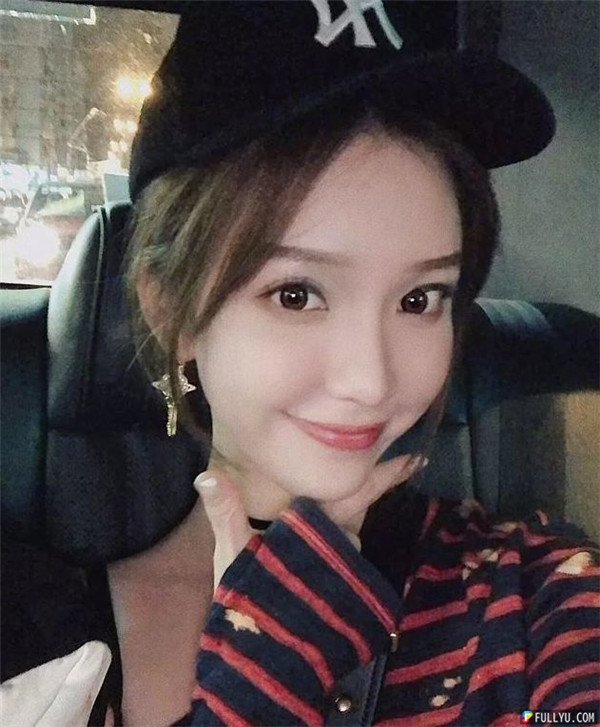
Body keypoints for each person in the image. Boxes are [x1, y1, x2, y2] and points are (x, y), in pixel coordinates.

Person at [118, 2, 599, 725]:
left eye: (419, 299)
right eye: (296, 294)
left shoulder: (538, 599)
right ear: (172, 312)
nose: (372, 382)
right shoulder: (29, 620)